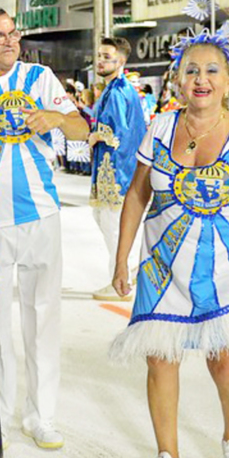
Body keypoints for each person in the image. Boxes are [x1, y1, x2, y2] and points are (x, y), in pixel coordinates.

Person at [110, 29, 229, 458]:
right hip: (161, 267)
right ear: (178, 81)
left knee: (227, 363)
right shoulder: (160, 127)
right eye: (191, 71)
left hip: (226, 268)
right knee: (161, 360)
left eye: (211, 71)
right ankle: (168, 457)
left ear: (228, 81)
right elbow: (138, 193)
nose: (200, 79)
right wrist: (121, 256)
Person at [0, 5, 90, 449]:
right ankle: (1, 416)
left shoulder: (40, 79)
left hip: (41, 216)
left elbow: (82, 130)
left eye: (13, 33)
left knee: (43, 319)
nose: (9, 41)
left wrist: (56, 120)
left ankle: (41, 416)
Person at [89, 37, 147, 300]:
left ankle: (122, 279)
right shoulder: (115, 89)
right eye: (99, 55)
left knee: (112, 224)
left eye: (106, 56)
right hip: (112, 166)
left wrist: (95, 136)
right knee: (103, 219)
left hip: (117, 168)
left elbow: (119, 132)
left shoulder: (119, 91)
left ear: (121, 61)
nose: (100, 61)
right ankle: (126, 271)